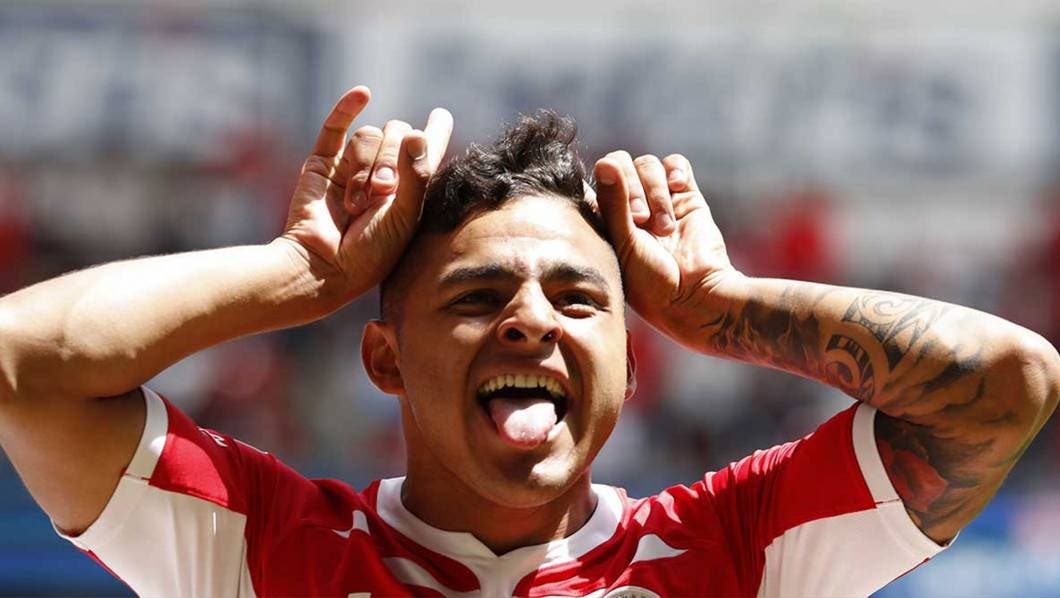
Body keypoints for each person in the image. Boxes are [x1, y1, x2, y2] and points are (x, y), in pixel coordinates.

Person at [0, 86, 1056, 597]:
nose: (531, 318)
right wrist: (299, 276)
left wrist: (721, 305)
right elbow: (21, 366)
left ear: (632, 373)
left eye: (579, 299)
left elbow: (1009, 383)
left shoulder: (737, 550)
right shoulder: (263, 546)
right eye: (477, 294)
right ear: (384, 359)